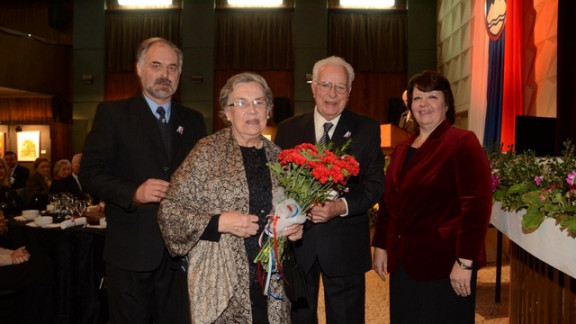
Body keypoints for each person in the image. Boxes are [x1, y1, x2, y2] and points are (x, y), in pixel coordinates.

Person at [79, 37, 207, 324]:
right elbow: (89, 174)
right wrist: (133, 192)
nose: (165, 75)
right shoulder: (112, 115)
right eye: (157, 66)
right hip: (130, 254)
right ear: (139, 69)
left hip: (181, 256)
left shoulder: (195, 120)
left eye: (172, 68)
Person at [158, 72, 303, 323]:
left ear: (268, 110)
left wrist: (293, 227)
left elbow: (288, 208)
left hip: (270, 282)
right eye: (242, 103)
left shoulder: (280, 158)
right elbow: (169, 211)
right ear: (227, 112)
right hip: (221, 280)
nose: (252, 110)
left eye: (259, 102)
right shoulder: (206, 151)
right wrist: (219, 222)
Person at [371, 70, 493, 323]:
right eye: (417, 98)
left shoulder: (462, 142)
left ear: (446, 104)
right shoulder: (403, 148)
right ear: (410, 105)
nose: (424, 104)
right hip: (404, 262)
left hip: (445, 262)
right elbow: (388, 203)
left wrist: (465, 262)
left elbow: (476, 207)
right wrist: (381, 244)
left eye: (432, 97)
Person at [274, 56, 385, 324]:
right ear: (313, 87)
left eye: (340, 87)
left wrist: (340, 208)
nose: (332, 94)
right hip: (298, 244)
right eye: (325, 85)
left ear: (349, 92)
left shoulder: (367, 128)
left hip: (345, 245)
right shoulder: (288, 129)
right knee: (298, 319)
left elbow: (374, 185)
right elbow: (277, 183)